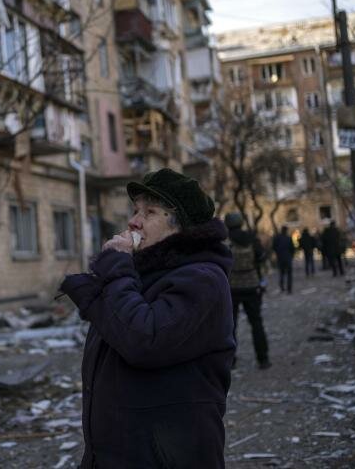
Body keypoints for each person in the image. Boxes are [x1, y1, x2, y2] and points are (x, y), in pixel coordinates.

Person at [59, 169, 235, 468]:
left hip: (170, 457)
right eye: (135, 210)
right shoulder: (141, 276)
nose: (134, 221)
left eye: (150, 212)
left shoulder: (202, 280)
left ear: (181, 228)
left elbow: (144, 339)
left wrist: (115, 268)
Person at [224, 212, 271, 369]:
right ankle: (263, 359)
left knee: (230, 325)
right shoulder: (251, 238)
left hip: (231, 287)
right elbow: (261, 257)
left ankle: (231, 361)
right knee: (256, 322)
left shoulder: (224, 240)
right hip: (252, 284)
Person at [272, 225, 296, 293]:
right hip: (288, 258)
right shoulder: (288, 238)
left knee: (281, 273)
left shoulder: (277, 238)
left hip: (280, 258)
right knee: (289, 274)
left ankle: (282, 287)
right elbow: (293, 248)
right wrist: (291, 256)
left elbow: (273, 247)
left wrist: (278, 253)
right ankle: (289, 288)